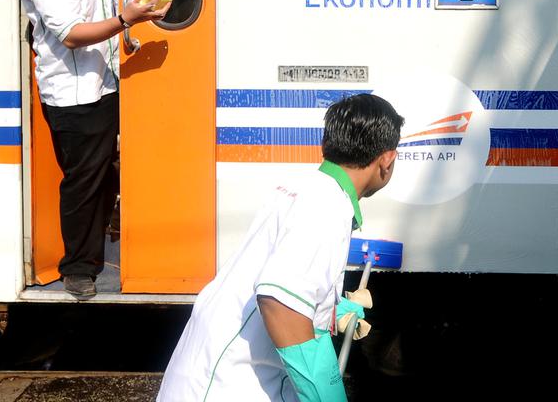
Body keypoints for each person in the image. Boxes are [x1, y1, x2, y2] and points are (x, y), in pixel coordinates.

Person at [157, 93, 404, 401]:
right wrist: (324, 391)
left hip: (205, 374)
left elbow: (273, 277)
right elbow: (280, 303)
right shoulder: (327, 207)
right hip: (227, 385)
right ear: (387, 159)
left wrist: (329, 308)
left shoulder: (305, 189)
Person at [16, 0, 165, 299]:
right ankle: (77, 270)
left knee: (104, 175)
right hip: (73, 94)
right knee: (83, 183)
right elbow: (71, 33)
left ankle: (99, 253)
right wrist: (126, 20)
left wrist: (140, 3)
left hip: (107, 84)